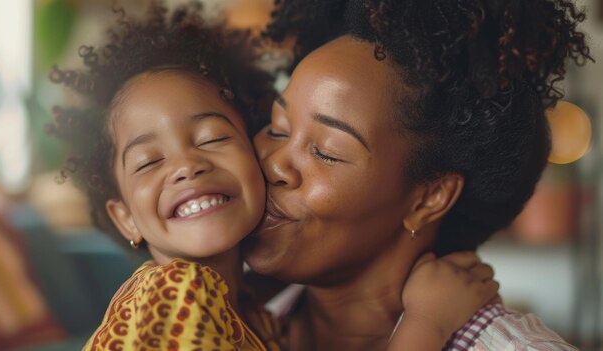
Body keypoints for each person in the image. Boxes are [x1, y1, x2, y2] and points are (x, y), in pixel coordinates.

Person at [48, 2, 499, 350]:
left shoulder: (251, 315)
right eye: (148, 162)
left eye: (211, 139)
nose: (187, 164)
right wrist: (426, 324)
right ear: (125, 218)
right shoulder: (173, 297)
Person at [243, 0, 593, 350]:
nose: (275, 165)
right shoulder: (231, 322)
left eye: (326, 152)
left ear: (430, 197)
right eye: (277, 129)